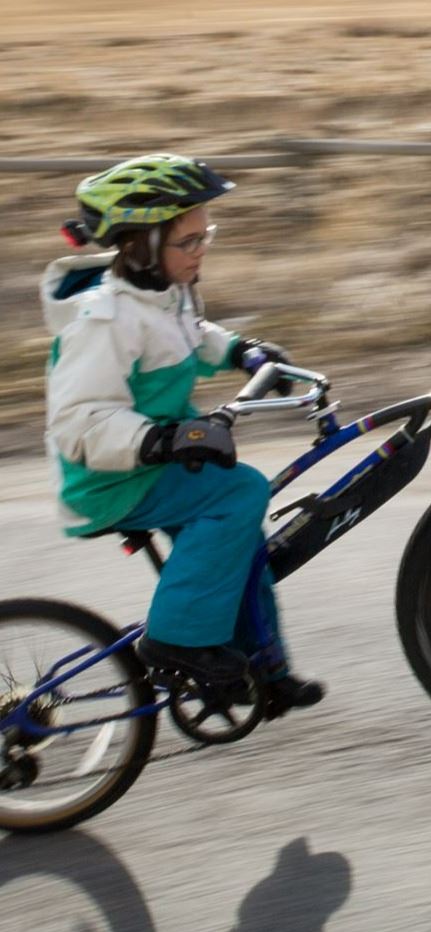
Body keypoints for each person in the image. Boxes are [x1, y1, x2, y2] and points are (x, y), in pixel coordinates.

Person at [42, 153, 324, 711]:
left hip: (152, 462)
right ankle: (176, 641)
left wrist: (242, 350)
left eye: (205, 236)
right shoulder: (104, 322)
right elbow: (81, 423)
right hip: (110, 479)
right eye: (188, 242)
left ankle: (261, 668)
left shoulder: (164, 294)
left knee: (242, 543)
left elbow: (191, 335)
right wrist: (164, 441)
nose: (201, 251)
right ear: (142, 246)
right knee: (239, 491)